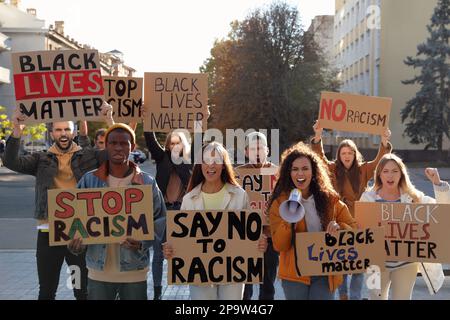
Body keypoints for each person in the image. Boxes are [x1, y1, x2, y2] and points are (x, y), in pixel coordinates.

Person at [2, 104, 112, 300]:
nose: (63, 133)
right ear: (51, 133)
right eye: (59, 129)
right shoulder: (40, 158)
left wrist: (109, 121)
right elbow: (11, 162)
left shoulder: (88, 156)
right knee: (47, 291)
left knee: (81, 291)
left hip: (79, 234)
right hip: (48, 233)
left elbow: (116, 154)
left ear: (74, 131)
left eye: (67, 129)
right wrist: (17, 129)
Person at [68, 124, 166, 300]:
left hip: (135, 271)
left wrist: (142, 243)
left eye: (124, 143)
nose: (118, 147)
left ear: (132, 147)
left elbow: (159, 219)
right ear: (106, 146)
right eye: (113, 143)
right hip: (98, 272)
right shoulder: (89, 181)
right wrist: (76, 243)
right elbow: (74, 220)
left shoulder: (147, 182)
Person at [163, 141, 267, 300]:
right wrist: (171, 249)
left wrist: (259, 242)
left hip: (233, 272)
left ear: (224, 165)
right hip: (199, 274)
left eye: (216, 161)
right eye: (206, 160)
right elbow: (181, 240)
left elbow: (251, 233)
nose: (211, 165)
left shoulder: (240, 195)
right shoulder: (189, 199)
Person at [311, 120, 392, 300]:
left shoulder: (363, 170)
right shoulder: (332, 169)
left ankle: (355, 296)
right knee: (341, 260)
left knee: (359, 261)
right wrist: (318, 136)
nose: (347, 155)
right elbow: (318, 157)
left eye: (350, 152)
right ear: (339, 155)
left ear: (355, 154)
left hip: (361, 219)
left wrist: (384, 141)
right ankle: (343, 295)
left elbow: (380, 163)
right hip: (338, 218)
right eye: (343, 152)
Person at [268, 142, 357, 300]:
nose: (300, 173)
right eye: (295, 169)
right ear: (288, 173)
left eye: (305, 168)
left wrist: (340, 228)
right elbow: (279, 245)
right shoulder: (280, 203)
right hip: (294, 276)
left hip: (325, 271)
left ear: (313, 172)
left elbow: (354, 229)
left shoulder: (330, 201)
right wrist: (288, 221)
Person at [360, 154, 445, 300]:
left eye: (395, 171)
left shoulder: (414, 198)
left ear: (401, 174)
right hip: (375, 264)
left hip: (406, 263)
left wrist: (438, 184)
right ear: (379, 174)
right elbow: (360, 230)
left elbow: (442, 212)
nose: (390, 175)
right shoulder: (368, 198)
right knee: (375, 297)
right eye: (385, 171)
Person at [143, 130, 192, 299]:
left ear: (184, 144)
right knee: (158, 254)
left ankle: (187, 288)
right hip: (162, 210)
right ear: (168, 145)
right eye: (172, 143)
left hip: (181, 210)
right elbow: (150, 139)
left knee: (181, 251)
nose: (175, 146)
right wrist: (147, 118)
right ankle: (157, 291)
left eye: (178, 142)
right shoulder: (162, 158)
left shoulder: (188, 161)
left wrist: (202, 119)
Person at [236, 132, 279, 300]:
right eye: (253, 149)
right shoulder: (237, 175)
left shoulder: (278, 173)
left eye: (260, 148)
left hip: (270, 238)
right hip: (245, 237)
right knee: (245, 290)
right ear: (246, 152)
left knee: (268, 288)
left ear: (267, 150)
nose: (257, 152)